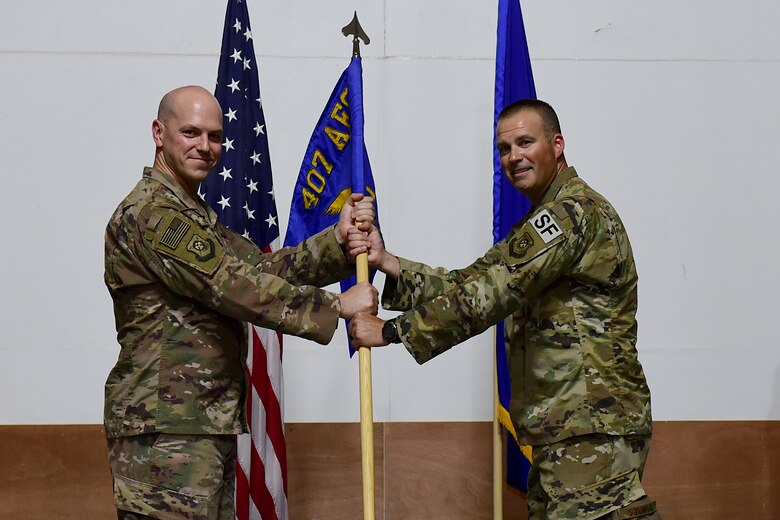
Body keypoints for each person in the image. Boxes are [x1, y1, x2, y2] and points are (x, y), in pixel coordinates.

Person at [348, 99, 661, 519]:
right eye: (504, 148)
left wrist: (390, 332)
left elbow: (495, 292)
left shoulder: (572, 213)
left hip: (592, 427)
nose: (514, 157)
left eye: (525, 143)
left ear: (557, 144)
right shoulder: (544, 219)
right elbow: (475, 281)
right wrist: (391, 263)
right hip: (566, 428)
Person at [104, 85, 378, 520]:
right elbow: (231, 285)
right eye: (191, 132)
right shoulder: (153, 214)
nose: (205, 146)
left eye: (214, 136)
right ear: (159, 132)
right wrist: (335, 307)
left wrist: (337, 243)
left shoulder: (194, 215)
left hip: (201, 425)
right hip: (164, 433)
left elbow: (260, 270)